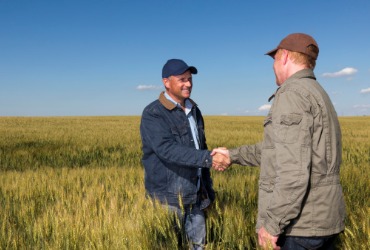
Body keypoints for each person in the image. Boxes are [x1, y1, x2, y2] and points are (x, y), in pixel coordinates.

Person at [212, 33, 346, 250]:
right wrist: (232, 155)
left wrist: (273, 225)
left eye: (274, 59)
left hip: (300, 227)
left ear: (283, 56)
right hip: (325, 220)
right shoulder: (317, 93)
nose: (273, 65)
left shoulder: (291, 94)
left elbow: (294, 171)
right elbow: (279, 150)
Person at [140, 59, 217, 249]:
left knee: (198, 246)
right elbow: (167, 150)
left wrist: (208, 191)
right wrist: (210, 158)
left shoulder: (194, 110)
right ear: (166, 82)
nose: (188, 84)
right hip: (169, 200)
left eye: (190, 79)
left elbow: (200, 147)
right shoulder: (154, 113)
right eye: (182, 79)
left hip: (196, 197)